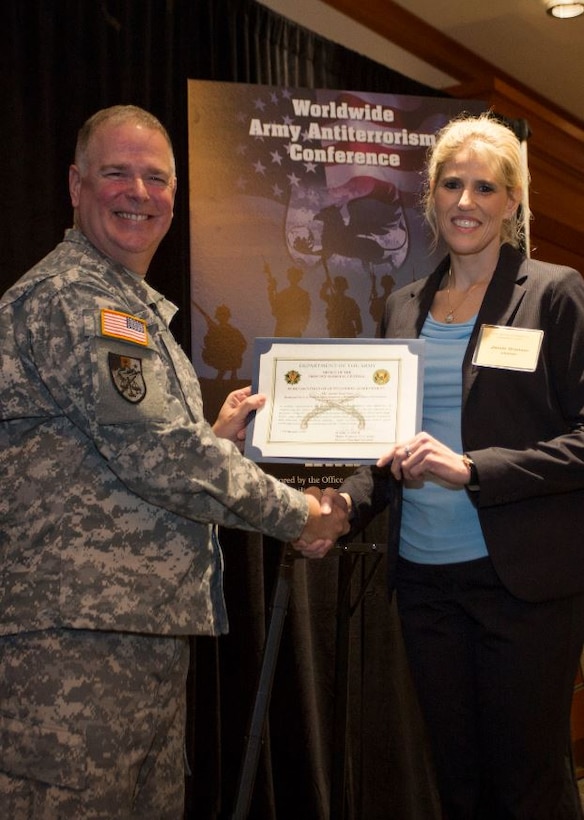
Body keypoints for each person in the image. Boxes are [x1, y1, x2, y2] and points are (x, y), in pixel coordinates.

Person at [0, 105, 349, 819]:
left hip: (132, 636)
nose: (139, 193)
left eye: (156, 178)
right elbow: (157, 452)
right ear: (75, 185)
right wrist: (301, 514)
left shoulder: (125, 305)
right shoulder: (77, 299)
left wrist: (210, 439)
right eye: (116, 173)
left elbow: (126, 451)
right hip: (73, 646)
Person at [311, 113, 584, 818]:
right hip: (426, 581)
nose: (467, 202)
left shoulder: (555, 293)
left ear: (513, 202)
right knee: (456, 785)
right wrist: (342, 506)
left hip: (520, 585)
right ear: (430, 195)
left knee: (526, 788)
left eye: (486, 188)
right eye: (452, 185)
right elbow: (388, 440)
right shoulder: (403, 306)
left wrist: (475, 468)